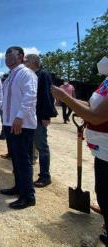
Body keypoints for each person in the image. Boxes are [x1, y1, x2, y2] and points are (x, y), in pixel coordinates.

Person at [52, 55, 108, 246]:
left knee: (105, 188)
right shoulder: (106, 81)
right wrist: (72, 100)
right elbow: (92, 105)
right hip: (102, 148)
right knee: (102, 186)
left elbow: (96, 116)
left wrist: (65, 97)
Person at [0, 46, 38, 210]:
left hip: (21, 124)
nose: (8, 58)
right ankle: (18, 187)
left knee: (23, 160)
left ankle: (28, 196)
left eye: (11, 55)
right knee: (15, 159)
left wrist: (20, 116)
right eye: (6, 55)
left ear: (21, 56)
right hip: (9, 123)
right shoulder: (10, 77)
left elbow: (30, 96)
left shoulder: (26, 73)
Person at [24, 54, 57, 188]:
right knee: (30, 144)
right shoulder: (29, 75)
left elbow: (47, 96)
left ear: (34, 62)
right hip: (29, 116)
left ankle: (45, 176)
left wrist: (46, 116)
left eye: (27, 60)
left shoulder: (43, 75)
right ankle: (30, 167)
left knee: (41, 145)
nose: (24, 62)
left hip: (39, 116)